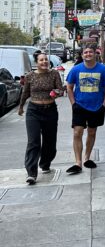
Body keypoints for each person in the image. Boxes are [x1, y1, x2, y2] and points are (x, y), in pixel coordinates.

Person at [65, 44, 105, 174]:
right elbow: (69, 87)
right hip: (79, 106)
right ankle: (78, 163)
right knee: (77, 133)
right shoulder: (76, 69)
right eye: (85, 52)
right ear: (82, 55)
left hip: (97, 106)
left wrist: (104, 105)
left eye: (90, 52)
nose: (88, 54)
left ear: (95, 54)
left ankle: (87, 158)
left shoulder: (103, 70)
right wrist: (73, 103)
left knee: (92, 132)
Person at [18, 52, 64, 185]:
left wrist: (56, 93)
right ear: (36, 62)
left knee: (50, 141)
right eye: (41, 60)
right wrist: (21, 107)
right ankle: (31, 173)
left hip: (50, 111)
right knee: (34, 142)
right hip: (33, 111)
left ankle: (45, 163)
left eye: (46, 60)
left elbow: (60, 90)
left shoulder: (54, 74)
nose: (44, 62)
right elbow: (26, 92)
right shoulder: (30, 76)